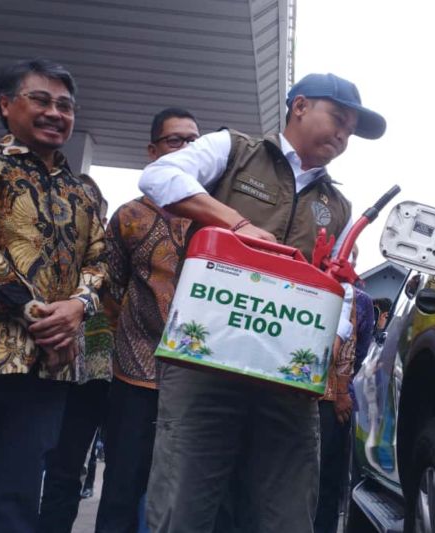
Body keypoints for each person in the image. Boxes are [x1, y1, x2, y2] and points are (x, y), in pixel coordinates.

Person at [139, 72, 386, 533]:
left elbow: (339, 285)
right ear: (300, 106)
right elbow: (158, 176)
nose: (343, 135)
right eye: (338, 119)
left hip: (287, 378)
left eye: (351, 131)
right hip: (204, 363)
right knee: (183, 502)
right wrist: (234, 223)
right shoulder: (233, 150)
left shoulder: (337, 205)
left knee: (286, 510)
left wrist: (334, 335)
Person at [0, 58, 107, 532]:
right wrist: (38, 312)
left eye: (65, 106)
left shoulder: (83, 192)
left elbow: (101, 260)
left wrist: (78, 306)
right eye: (41, 100)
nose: (55, 113)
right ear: (6, 105)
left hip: (46, 370)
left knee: (12, 503)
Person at [94, 108, 200, 533]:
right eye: (176, 140)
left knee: (186, 494)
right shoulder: (129, 216)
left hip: (199, 382)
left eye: (194, 141)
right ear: (153, 151)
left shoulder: (220, 214)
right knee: (123, 486)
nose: (186, 148)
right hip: (135, 374)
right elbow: (108, 291)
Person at [38, 186, 113, 533]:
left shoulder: (105, 259)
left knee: (65, 470)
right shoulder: (48, 252)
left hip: (92, 375)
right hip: (45, 368)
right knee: (24, 461)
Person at [314, 248, 376, 533]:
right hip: (325, 398)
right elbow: (359, 351)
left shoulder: (357, 299)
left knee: (324, 476)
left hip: (329, 400)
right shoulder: (357, 298)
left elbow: (356, 351)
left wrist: (341, 391)